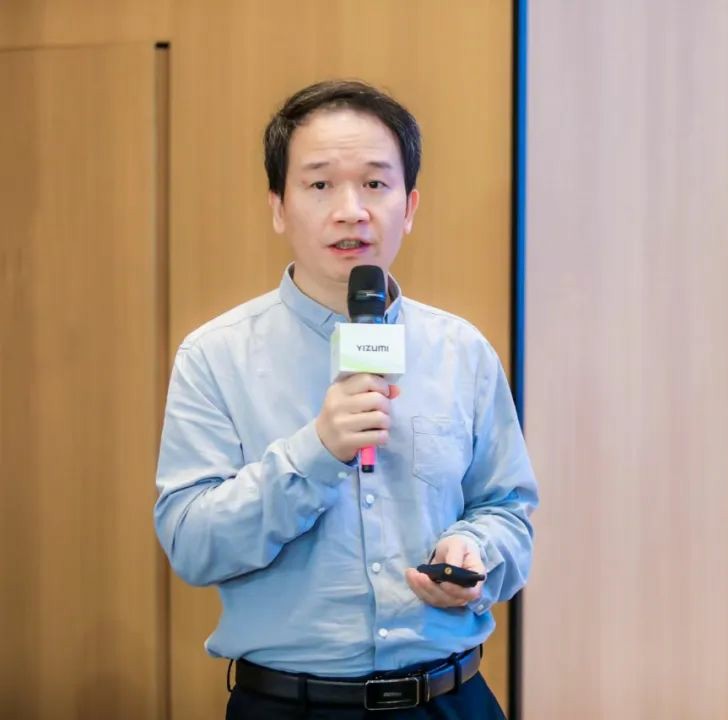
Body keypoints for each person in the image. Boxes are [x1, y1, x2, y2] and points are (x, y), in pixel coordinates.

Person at [154, 79, 538, 719]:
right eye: (320, 184)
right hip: (290, 706)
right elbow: (193, 545)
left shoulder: (461, 350)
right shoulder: (215, 356)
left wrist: (477, 552)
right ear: (279, 207)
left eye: (376, 184)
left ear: (409, 207)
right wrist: (315, 452)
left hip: (449, 700)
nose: (351, 210)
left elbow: (509, 510)